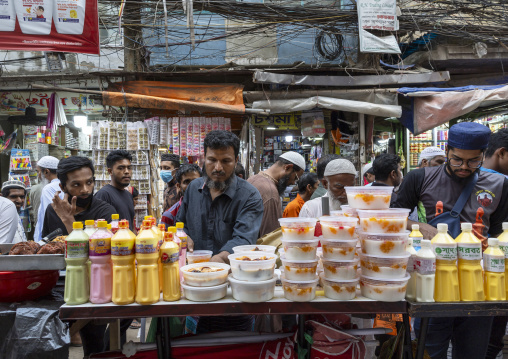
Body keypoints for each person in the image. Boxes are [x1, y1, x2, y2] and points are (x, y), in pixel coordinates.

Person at [393, 122, 508, 359]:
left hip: (478, 287)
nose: (464, 167)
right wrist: (419, 226)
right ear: (446, 151)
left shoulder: (500, 184)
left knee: (472, 353)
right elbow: (394, 218)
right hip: (432, 285)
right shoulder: (420, 178)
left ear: (483, 155)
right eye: (457, 159)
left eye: (473, 161)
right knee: (430, 351)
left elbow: (498, 232)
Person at [176, 130, 263, 333]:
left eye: (226, 161)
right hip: (194, 287)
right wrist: (183, 236)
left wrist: (211, 267)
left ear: (236, 160)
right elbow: (180, 225)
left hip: (233, 291)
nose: (217, 167)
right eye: (212, 160)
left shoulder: (249, 196)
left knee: (231, 347)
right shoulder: (193, 189)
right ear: (203, 158)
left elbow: (243, 239)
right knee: (196, 347)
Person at [481, 129, 508, 359]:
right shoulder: (504, 183)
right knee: (492, 336)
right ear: (502, 153)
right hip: (497, 269)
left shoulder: (466, 176)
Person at [41, 156, 116, 237]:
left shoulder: (105, 212)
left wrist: (68, 220)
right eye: (76, 185)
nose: (85, 190)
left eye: (89, 182)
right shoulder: (53, 210)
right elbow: (47, 244)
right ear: (62, 187)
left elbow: (94, 248)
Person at [248, 152, 305, 236]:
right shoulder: (270, 192)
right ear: (288, 168)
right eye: (295, 178)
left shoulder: (252, 178)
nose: (293, 182)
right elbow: (270, 238)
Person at [95, 150, 135, 231]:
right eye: (121, 168)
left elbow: (131, 225)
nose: (127, 172)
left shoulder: (128, 195)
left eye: (129, 168)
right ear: (110, 171)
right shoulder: (103, 194)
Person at [161, 164, 202, 228]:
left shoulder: (211, 209)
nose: (192, 185)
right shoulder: (169, 215)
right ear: (179, 186)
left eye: (195, 181)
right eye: (187, 182)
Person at [33, 156, 61, 242]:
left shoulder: (48, 188)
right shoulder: (63, 184)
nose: (38, 175)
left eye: (38, 172)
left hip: (49, 239)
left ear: (46, 171)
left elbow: (48, 216)